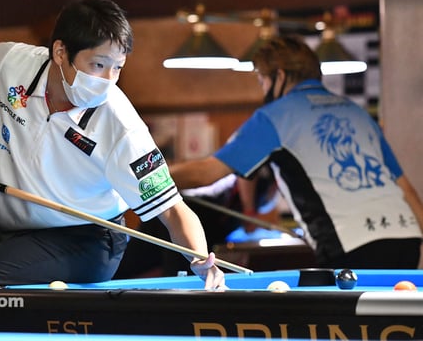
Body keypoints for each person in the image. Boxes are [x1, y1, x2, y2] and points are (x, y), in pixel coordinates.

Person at [0, 0, 224, 302]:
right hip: (10, 231)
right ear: (61, 52)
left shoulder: (121, 126)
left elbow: (172, 209)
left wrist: (199, 258)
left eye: (117, 68)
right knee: (2, 308)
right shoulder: (13, 64)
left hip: (86, 238)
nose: (107, 80)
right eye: (98, 65)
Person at [170, 35, 423, 269]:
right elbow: (406, 189)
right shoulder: (358, 113)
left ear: (279, 77)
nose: (263, 90)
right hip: (407, 237)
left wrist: (150, 174)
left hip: (351, 245)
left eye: (262, 81)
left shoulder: (273, 116)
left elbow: (205, 173)